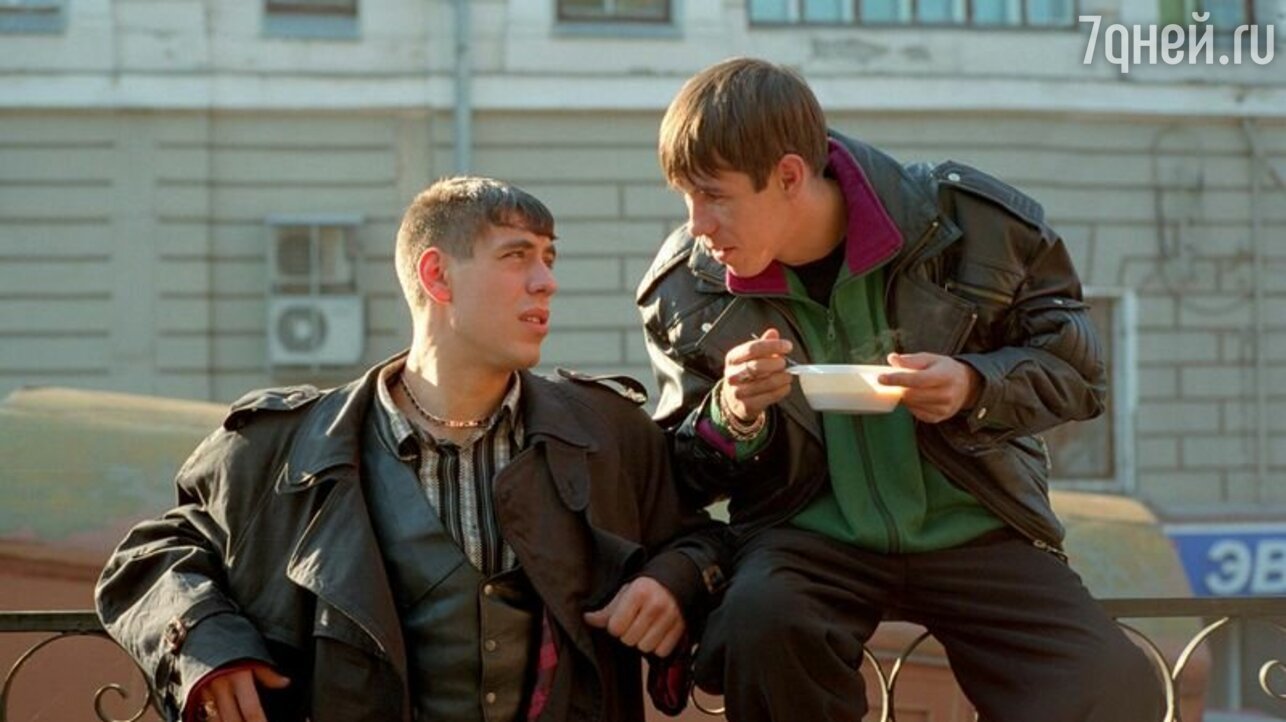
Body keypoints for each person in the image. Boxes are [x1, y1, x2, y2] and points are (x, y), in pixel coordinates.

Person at [635, 58, 1163, 722]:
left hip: (978, 524)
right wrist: (732, 414)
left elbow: (1079, 372)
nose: (698, 224)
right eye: (685, 197)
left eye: (715, 196)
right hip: (804, 535)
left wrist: (974, 385)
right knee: (760, 626)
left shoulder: (971, 225)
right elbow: (681, 473)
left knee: (1112, 682)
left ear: (790, 176)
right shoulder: (686, 288)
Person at [97, 176, 725, 722]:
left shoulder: (606, 432)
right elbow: (148, 560)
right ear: (436, 275)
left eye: (549, 258)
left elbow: (705, 539)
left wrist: (674, 581)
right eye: (517, 256)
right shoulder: (285, 447)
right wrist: (208, 643)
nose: (546, 282)